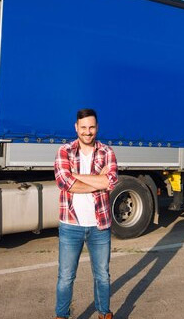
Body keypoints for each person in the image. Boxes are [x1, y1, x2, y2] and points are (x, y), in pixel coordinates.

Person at [54, 108, 118, 319]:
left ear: (97, 127)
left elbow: (111, 182)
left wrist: (76, 176)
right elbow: (64, 182)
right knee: (65, 277)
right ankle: (61, 315)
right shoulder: (65, 151)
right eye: (83, 127)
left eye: (91, 127)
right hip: (71, 225)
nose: (87, 132)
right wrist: (97, 180)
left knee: (102, 276)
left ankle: (104, 314)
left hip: (100, 225)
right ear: (76, 128)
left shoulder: (107, 152)